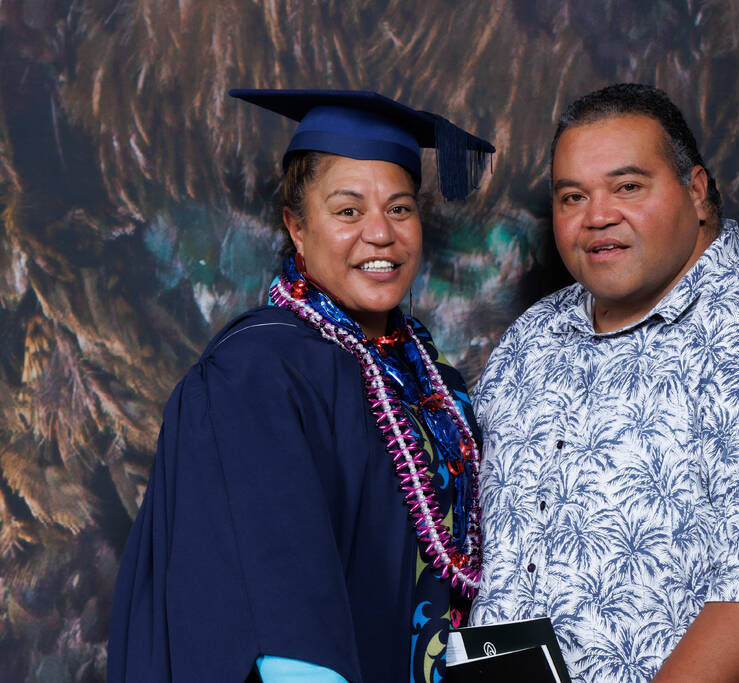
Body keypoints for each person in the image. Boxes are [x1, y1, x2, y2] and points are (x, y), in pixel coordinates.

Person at [469, 83, 739, 682]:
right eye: (572, 196)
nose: (597, 216)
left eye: (628, 187)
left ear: (696, 192)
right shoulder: (529, 343)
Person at [107, 89, 494, 683]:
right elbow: (270, 605)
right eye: (347, 211)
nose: (380, 235)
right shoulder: (258, 372)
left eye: (399, 208)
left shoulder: (438, 388)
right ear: (297, 226)